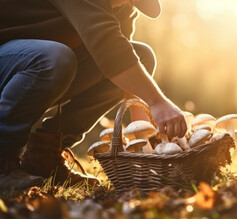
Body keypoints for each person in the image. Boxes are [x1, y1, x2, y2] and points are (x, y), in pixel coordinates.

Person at [0, 0, 187, 189]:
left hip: (34, 63)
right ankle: (3, 162)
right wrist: (157, 101)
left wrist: (143, 137)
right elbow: (107, 44)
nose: (127, 4)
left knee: (142, 56)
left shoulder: (124, 7)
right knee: (54, 58)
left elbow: (122, 58)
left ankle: (44, 156)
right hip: (8, 55)